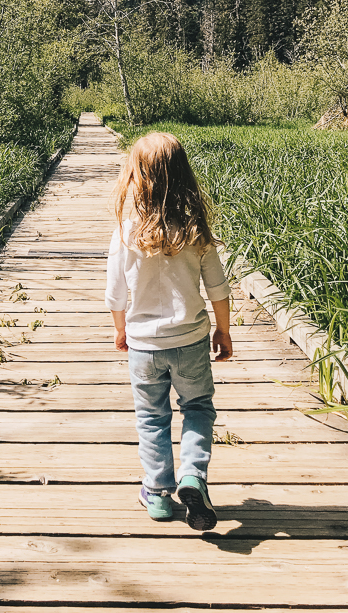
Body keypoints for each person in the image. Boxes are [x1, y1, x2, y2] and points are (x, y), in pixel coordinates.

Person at [105, 131, 233, 530]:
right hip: (191, 340)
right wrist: (224, 331)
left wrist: (121, 329)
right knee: (196, 408)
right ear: (183, 176)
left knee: (151, 417)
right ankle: (193, 475)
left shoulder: (126, 233)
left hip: (144, 345)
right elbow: (218, 288)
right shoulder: (196, 231)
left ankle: (158, 493)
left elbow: (115, 292)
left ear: (136, 177)